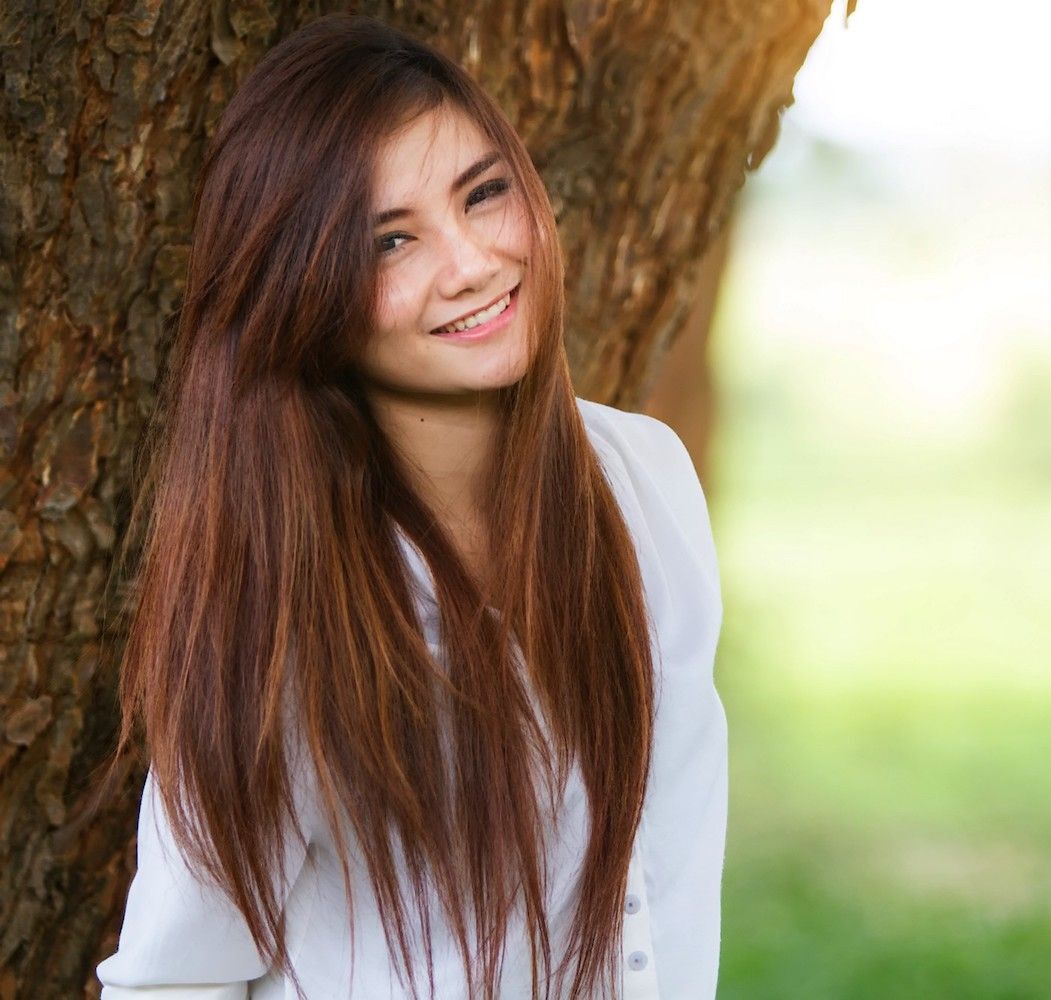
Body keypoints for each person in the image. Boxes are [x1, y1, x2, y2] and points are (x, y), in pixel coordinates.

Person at [91, 13, 727, 1000]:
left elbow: (669, 867)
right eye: (392, 240)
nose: (469, 262)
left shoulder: (646, 478)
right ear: (304, 291)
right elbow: (174, 979)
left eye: (485, 195)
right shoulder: (285, 598)